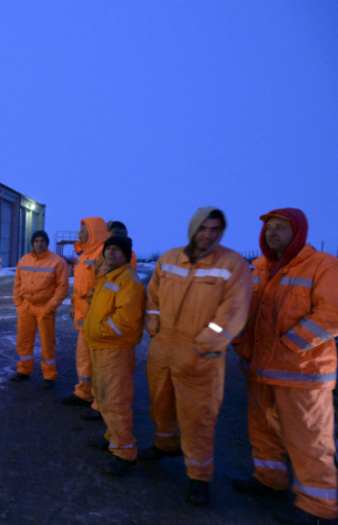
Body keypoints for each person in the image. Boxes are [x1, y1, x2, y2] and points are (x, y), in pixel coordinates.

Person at [232, 208, 338, 525]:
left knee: (309, 440)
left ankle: (319, 507)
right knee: (263, 429)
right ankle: (269, 479)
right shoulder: (259, 267)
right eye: (269, 227)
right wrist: (237, 340)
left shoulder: (323, 265)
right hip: (260, 368)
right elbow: (241, 309)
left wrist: (291, 345)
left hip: (303, 372)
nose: (272, 232)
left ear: (298, 232)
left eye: (280, 227)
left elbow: (331, 314)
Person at [143, 207, 252, 507]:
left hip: (201, 355)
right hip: (163, 347)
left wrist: (206, 342)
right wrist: (153, 322)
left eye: (215, 229)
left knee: (198, 419)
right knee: (160, 403)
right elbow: (153, 293)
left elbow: (234, 312)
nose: (208, 234)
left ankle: (199, 477)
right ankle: (165, 445)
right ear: (193, 228)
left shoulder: (233, 265)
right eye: (203, 228)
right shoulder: (169, 258)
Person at [84, 235, 146, 476]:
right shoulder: (109, 276)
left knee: (115, 401)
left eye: (117, 250)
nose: (111, 253)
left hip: (115, 349)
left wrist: (99, 330)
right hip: (102, 347)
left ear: (126, 255)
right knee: (104, 397)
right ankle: (112, 437)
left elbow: (125, 320)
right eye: (108, 248)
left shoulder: (128, 280)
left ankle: (125, 452)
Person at [62, 217, 109, 411]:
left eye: (83, 230)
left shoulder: (103, 254)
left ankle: (100, 403)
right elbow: (79, 285)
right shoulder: (82, 255)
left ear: (94, 231)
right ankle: (83, 393)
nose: (79, 233)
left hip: (97, 318)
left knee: (99, 362)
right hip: (83, 318)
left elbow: (105, 287)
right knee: (83, 359)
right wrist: (74, 304)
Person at [12, 230, 69, 388]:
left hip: (45, 307)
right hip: (26, 307)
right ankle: (24, 370)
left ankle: (49, 375)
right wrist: (19, 303)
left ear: (47, 243)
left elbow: (62, 288)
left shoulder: (57, 262)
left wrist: (50, 306)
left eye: (42, 241)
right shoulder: (24, 260)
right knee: (23, 340)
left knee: (47, 342)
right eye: (36, 241)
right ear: (32, 243)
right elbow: (17, 283)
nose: (39, 244)